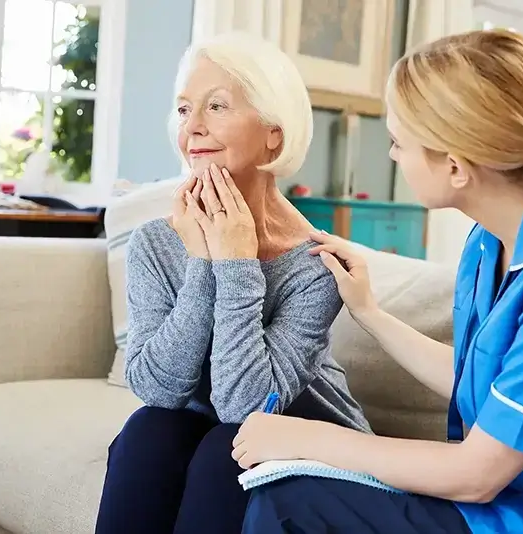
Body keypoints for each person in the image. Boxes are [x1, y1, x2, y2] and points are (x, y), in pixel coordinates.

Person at [232, 29, 523, 533]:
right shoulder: (491, 239)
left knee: (291, 503)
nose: (392, 156)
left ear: (455, 165)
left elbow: (478, 474)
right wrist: (370, 312)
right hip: (517, 500)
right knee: (282, 492)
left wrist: (306, 439)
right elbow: (484, 385)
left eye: (397, 143)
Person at [94, 33, 370, 534]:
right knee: (147, 431)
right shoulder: (157, 244)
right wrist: (203, 260)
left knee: (226, 450)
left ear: (274, 135)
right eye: (183, 110)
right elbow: (155, 388)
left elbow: (245, 407)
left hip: (308, 440)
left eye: (217, 106)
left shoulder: (314, 263)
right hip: (211, 430)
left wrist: (237, 264)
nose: (193, 127)